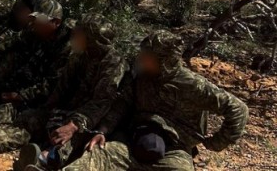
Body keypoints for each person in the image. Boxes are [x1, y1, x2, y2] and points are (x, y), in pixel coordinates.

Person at [0, 13, 126, 166]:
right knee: (31, 119)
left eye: (79, 32)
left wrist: (73, 124)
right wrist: (48, 111)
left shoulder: (113, 63)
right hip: (67, 112)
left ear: (91, 38)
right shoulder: (80, 56)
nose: (74, 34)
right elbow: (61, 88)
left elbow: (101, 102)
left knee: (67, 140)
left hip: (87, 123)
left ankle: (42, 161)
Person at [61, 30, 249, 171]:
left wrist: (216, 142)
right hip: (132, 144)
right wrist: (103, 130)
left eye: (147, 56)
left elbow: (238, 109)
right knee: (93, 159)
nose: (140, 59)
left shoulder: (193, 85)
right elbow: (122, 105)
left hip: (174, 151)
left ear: (165, 60)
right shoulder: (141, 77)